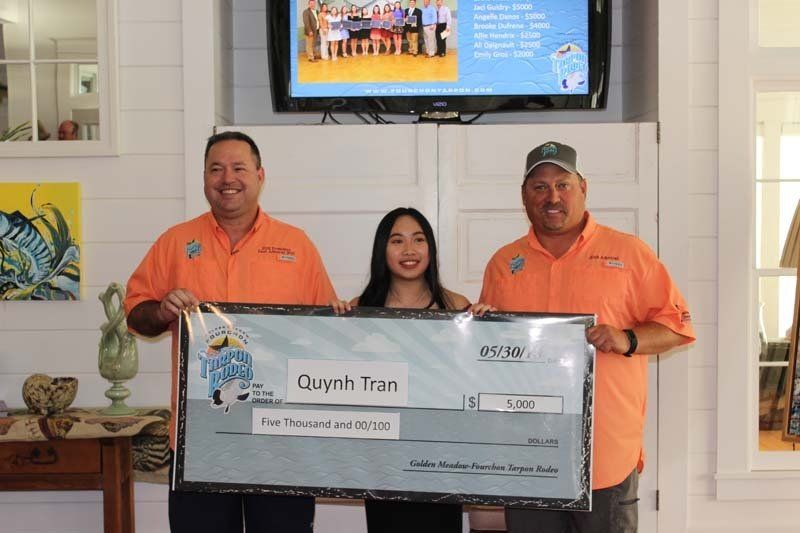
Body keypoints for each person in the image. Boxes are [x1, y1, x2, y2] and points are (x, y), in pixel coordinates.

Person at [473, 141, 696, 533]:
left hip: (605, 459)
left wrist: (626, 338)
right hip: (527, 457)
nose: (552, 196)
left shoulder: (629, 254)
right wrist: (476, 329)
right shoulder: (504, 263)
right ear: (524, 196)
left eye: (563, 184)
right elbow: (489, 354)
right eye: (539, 187)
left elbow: (677, 328)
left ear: (583, 188)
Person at [124, 131, 337, 533]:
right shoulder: (175, 242)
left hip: (281, 439)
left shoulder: (297, 246)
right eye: (216, 169)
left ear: (259, 175)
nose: (227, 178)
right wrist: (162, 309)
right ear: (204, 178)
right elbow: (136, 314)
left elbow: (324, 331)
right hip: (200, 437)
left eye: (239, 167)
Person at [331, 207, 469, 533]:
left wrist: (489, 323)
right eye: (397, 241)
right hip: (382, 462)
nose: (409, 250)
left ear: (431, 249)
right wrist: (330, 326)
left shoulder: (458, 307)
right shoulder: (358, 310)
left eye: (418, 240)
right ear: (383, 250)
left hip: (441, 461)